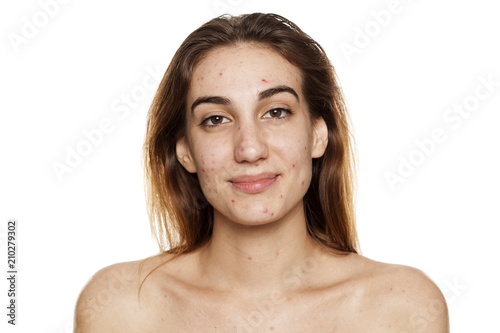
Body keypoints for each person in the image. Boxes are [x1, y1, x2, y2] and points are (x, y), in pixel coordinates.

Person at [74, 13, 449, 332]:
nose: (250, 149)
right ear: (184, 150)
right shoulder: (120, 309)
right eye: (216, 119)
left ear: (318, 134)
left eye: (276, 112)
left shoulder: (400, 310)